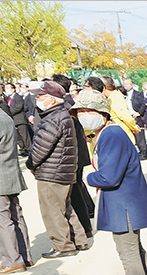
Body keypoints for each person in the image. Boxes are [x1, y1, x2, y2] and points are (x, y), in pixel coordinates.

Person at [71, 89, 147, 275]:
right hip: (127, 201)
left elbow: (109, 176)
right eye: (80, 112)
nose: (84, 115)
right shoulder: (107, 132)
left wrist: (89, 177)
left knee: (128, 254)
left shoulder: (111, 135)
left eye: (88, 110)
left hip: (123, 203)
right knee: (135, 249)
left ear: (102, 113)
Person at [25, 80, 88, 258]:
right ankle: (79, 240)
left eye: (40, 96)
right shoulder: (62, 115)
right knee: (65, 207)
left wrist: (30, 164)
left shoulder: (53, 118)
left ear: (52, 99)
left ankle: (63, 246)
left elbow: (40, 148)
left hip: (52, 171)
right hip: (62, 170)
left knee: (52, 210)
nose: (37, 99)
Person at [0, 79, 32, 274]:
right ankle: (24, 256)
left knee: (2, 220)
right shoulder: (3, 115)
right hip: (9, 173)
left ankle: (12, 260)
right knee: (16, 216)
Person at [50, 73, 96, 240]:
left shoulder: (67, 108)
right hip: (75, 156)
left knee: (75, 193)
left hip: (73, 156)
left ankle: (84, 228)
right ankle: (86, 225)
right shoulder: (67, 105)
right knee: (78, 190)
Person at [123, 77, 147, 159]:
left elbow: (143, 104)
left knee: (140, 136)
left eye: (128, 84)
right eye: (125, 84)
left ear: (132, 84)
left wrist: (138, 113)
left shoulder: (138, 94)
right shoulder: (122, 94)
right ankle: (135, 152)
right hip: (127, 117)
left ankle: (143, 153)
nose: (126, 86)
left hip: (136, 116)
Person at [7, 82, 31, 156]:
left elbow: (18, 107)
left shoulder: (18, 97)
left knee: (25, 136)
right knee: (18, 137)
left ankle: (29, 150)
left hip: (20, 120)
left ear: (13, 89)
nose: (6, 90)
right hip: (14, 120)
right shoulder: (9, 98)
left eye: (8, 88)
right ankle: (23, 149)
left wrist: (8, 112)